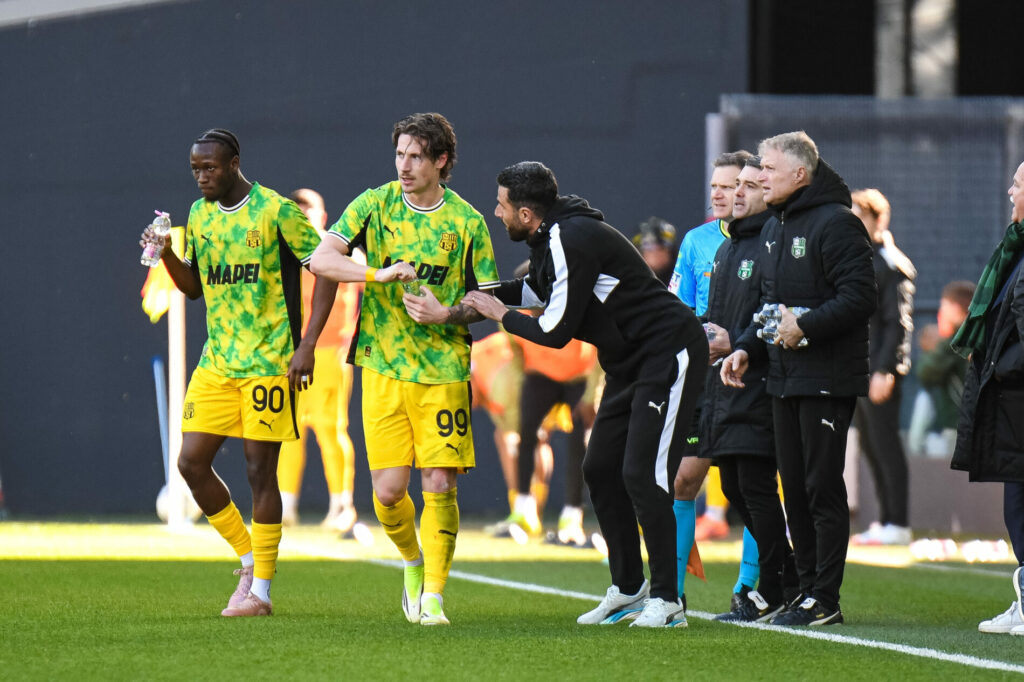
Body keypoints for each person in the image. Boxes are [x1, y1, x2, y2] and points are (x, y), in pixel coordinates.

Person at [464, 161, 708, 628]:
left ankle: (667, 597)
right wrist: (472, 292)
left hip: (667, 351)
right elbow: (536, 290)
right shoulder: (550, 237)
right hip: (629, 362)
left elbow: (555, 330)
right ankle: (629, 587)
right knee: (599, 467)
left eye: (502, 205)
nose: (497, 212)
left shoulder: (568, 238)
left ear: (527, 213)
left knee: (643, 472)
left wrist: (497, 313)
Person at [310, 112, 499, 626]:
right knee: (390, 492)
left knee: (439, 481)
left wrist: (446, 312)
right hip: (383, 366)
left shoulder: (467, 222)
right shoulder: (374, 204)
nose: (404, 165)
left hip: (444, 370)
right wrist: (377, 272)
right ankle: (413, 565)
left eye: (416, 156)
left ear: (441, 161)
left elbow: (487, 299)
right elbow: (321, 261)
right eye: (399, 154)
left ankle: (434, 596)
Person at [139, 128, 337, 617]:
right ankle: (248, 560)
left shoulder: (276, 211)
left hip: (269, 363)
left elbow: (327, 270)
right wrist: (165, 252)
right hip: (219, 361)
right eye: (195, 169)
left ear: (233, 163)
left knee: (258, 472)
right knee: (190, 463)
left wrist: (307, 345)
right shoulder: (200, 215)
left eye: (209, 167)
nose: (201, 177)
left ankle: (262, 592)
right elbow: (193, 288)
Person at [721, 131, 876, 626]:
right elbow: (769, 305)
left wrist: (804, 325)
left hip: (827, 379)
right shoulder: (774, 228)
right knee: (795, 487)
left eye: (766, 169)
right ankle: (803, 591)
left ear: (799, 175)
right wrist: (746, 348)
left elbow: (859, 298)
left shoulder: (838, 224)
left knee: (820, 488)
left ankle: (824, 598)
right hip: (783, 379)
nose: (759, 177)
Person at [701, 157, 797, 622]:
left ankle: (777, 589)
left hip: (755, 381)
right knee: (736, 486)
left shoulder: (770, 242)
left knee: (755, 486)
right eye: (732, 184)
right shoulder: (727, 247)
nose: (736, 193)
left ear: (770, 192)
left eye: (749, 186)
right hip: (724, 382)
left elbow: (772, 310)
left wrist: (740, 345)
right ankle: (789, 580)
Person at [668, 150, 760, 611]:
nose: (722, 193)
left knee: (749, 485)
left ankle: (749, 589)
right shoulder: (696, 241)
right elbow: (677, 305)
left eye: (732, 185)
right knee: (685, 479)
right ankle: (674, 593)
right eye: (716, 186)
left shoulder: (765, 240)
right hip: (702, 376)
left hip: (744, 371)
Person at [951, 159, 1024, 635]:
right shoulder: (1014, 250)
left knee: (1019, 503)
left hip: (1017, 395)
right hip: (1011, 399)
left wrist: (1003, 366)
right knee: (1016, 501)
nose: (1011, 193)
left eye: (1018, 184)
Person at [276, 189, 363, 534]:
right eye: (296, 211)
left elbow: (358, 270)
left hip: (329, 352)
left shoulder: (340, 248)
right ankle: (286, 504)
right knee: (288, 431)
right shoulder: (284, 251)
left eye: (308, 209)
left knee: (331, 428)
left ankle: (342, 504)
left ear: (323, 215)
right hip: (291, 353)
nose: (303, 215)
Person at [847, 189, 916, 546]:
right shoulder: (862, 257)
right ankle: (887, 521)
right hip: (860, 367)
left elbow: (898, 323)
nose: (854, 220)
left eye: (861, 214)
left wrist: (885, 370)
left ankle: (898, 522)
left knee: (886, 443)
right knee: (871, 445)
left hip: (879, 370)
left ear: (878, 220)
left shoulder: (890, 263)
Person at [907, 280, 974, 456]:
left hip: (961, 426)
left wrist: (944, 338)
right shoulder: (978, 334)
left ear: (954, 307)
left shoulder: (958, 341)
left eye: (944, 306)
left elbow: (925, 373)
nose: (941, 312)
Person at [632, 216, 677, 285]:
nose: (655, 254)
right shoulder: (628, 285)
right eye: (648, 247)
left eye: (661, 247)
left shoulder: (683, 281)